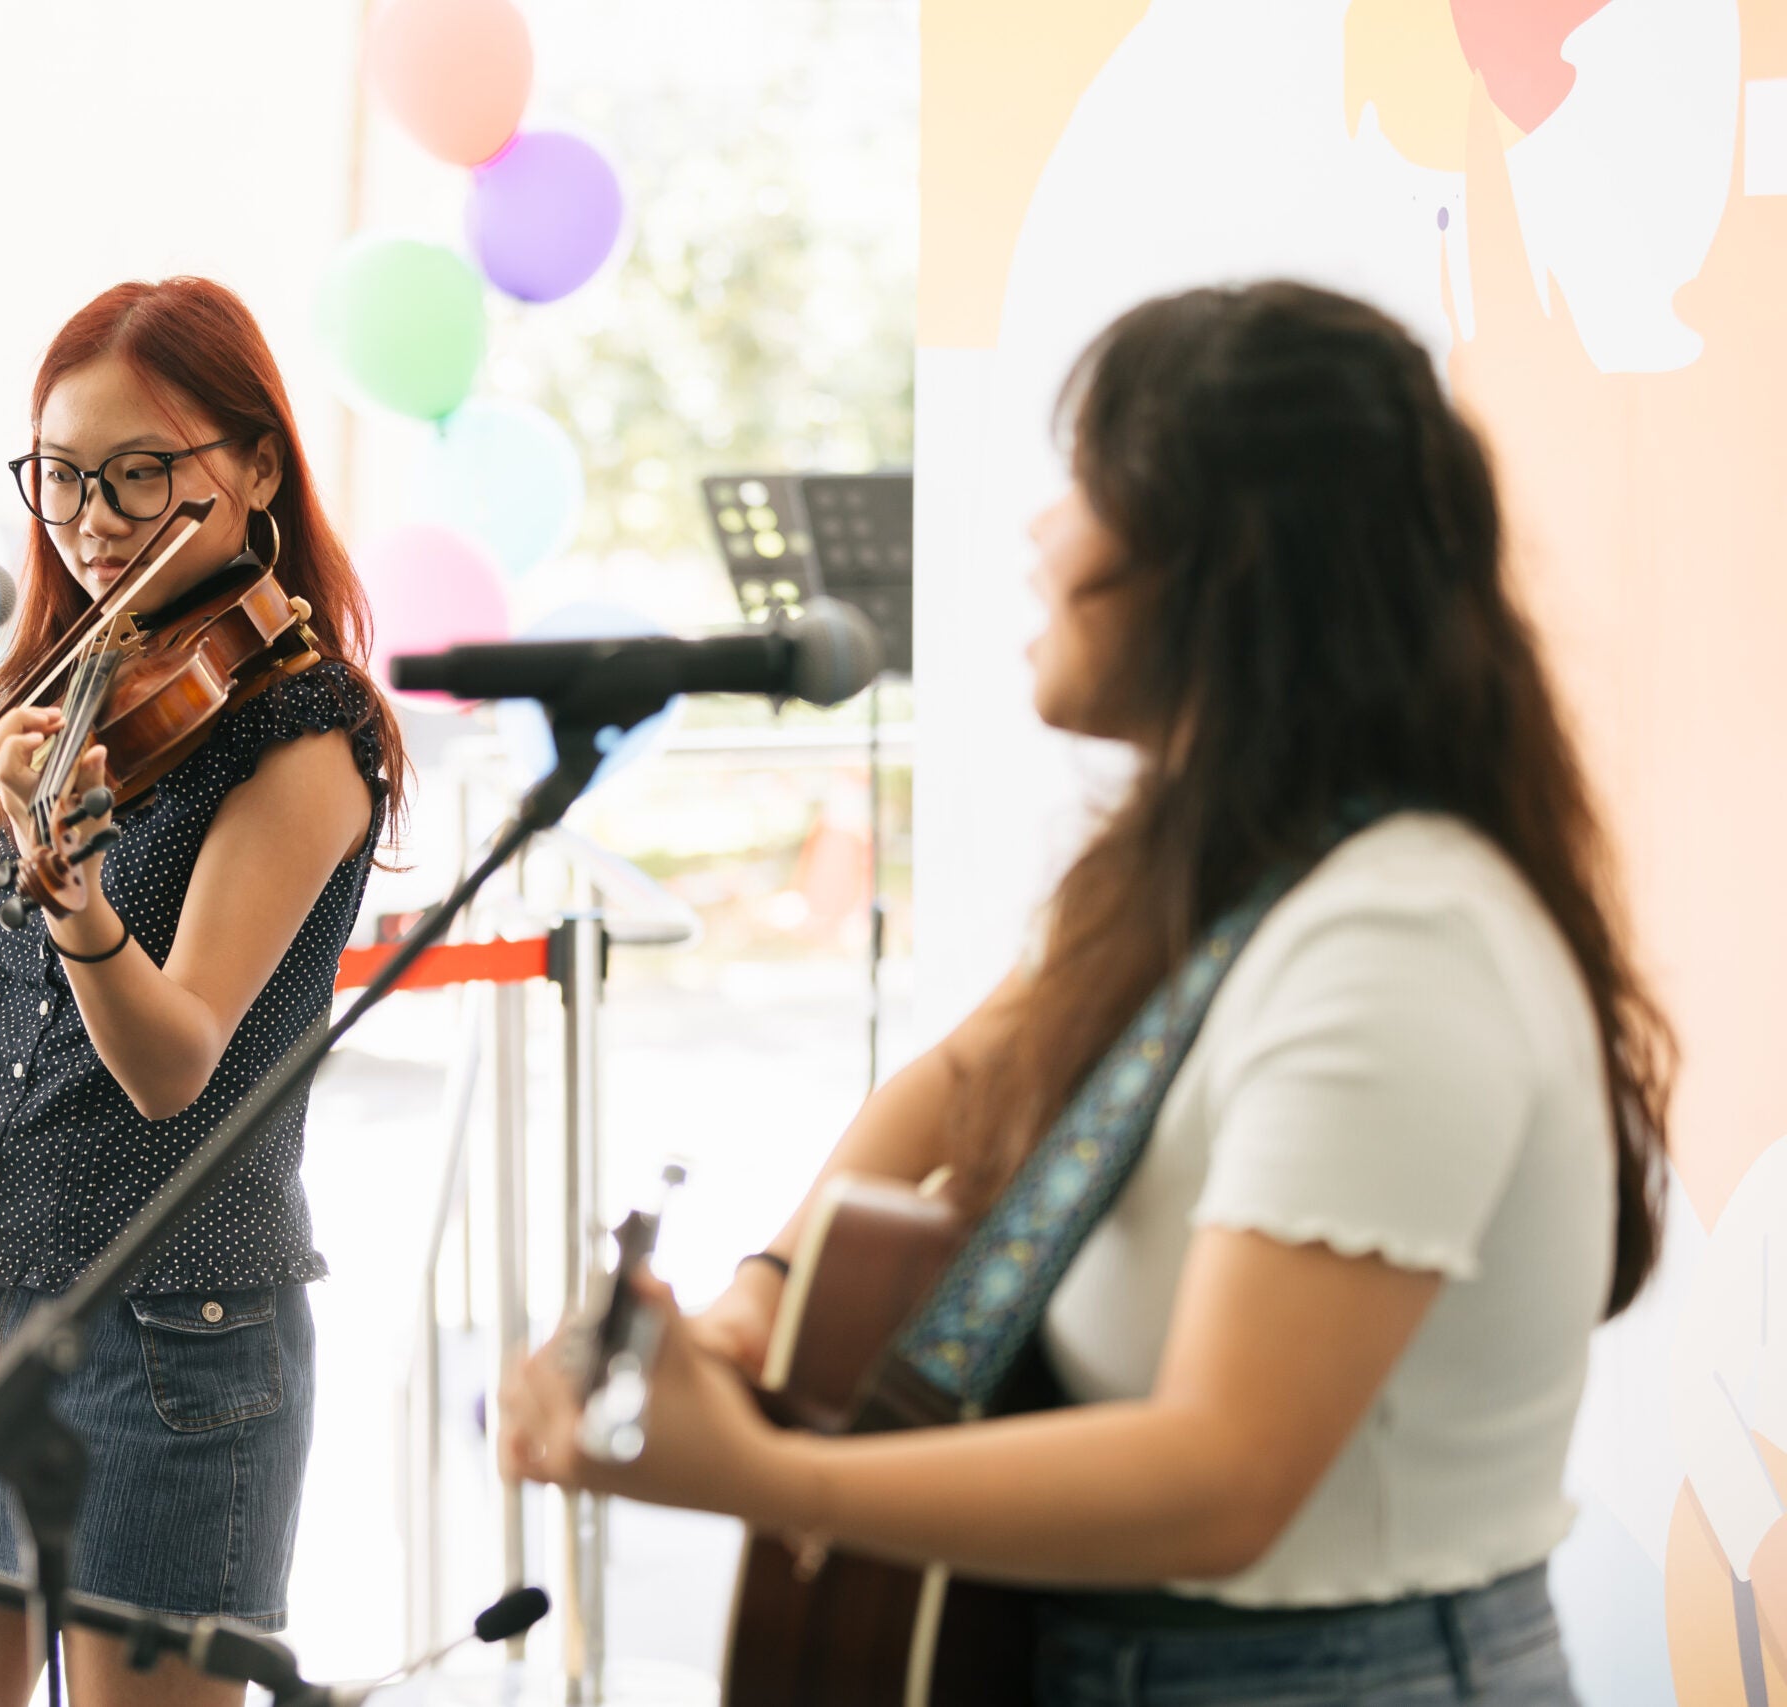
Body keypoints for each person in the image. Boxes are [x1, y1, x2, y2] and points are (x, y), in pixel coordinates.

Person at [499, 282, 1673, 1705]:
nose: (1041, 534)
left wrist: (767, 1475)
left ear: (1216, 565)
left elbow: (1223, 1477)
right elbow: (960, 1081)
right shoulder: (1218, 877)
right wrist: (761, 1305)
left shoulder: (1397, 942)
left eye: (1088, 488)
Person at [0, 277, 405, 1707]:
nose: (94, 517)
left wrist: (77, 905)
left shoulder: (304, 737)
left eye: (140, 474)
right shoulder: (78, 689)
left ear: (256, 468)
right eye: (62, 475)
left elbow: (174, 1062)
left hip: (179, 1344)